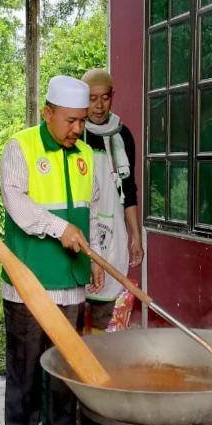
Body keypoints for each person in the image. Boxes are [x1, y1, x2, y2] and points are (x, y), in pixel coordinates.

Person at [0, 75, 103, 425]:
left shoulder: (85, 154)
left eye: (82, 122)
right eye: (70, 121)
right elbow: (17, 205)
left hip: (70, 281)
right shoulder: (19, 148)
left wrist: (92, 255)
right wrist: (60, 230)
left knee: (64, 367)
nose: (78, 129)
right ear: (48, 113)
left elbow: (88, 212)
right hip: (28, 281)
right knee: (23, 367)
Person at [80, 68, 143, 330]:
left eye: (104, 98)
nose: (98, 105)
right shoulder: (75, 130)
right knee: (76, 300)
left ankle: (102, 359)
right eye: (92, 98)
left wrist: (135, 235)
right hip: (82, 224)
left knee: (107, 301)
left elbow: (129, 189)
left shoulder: (122, 135)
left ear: (112, 97)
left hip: (114, 227)